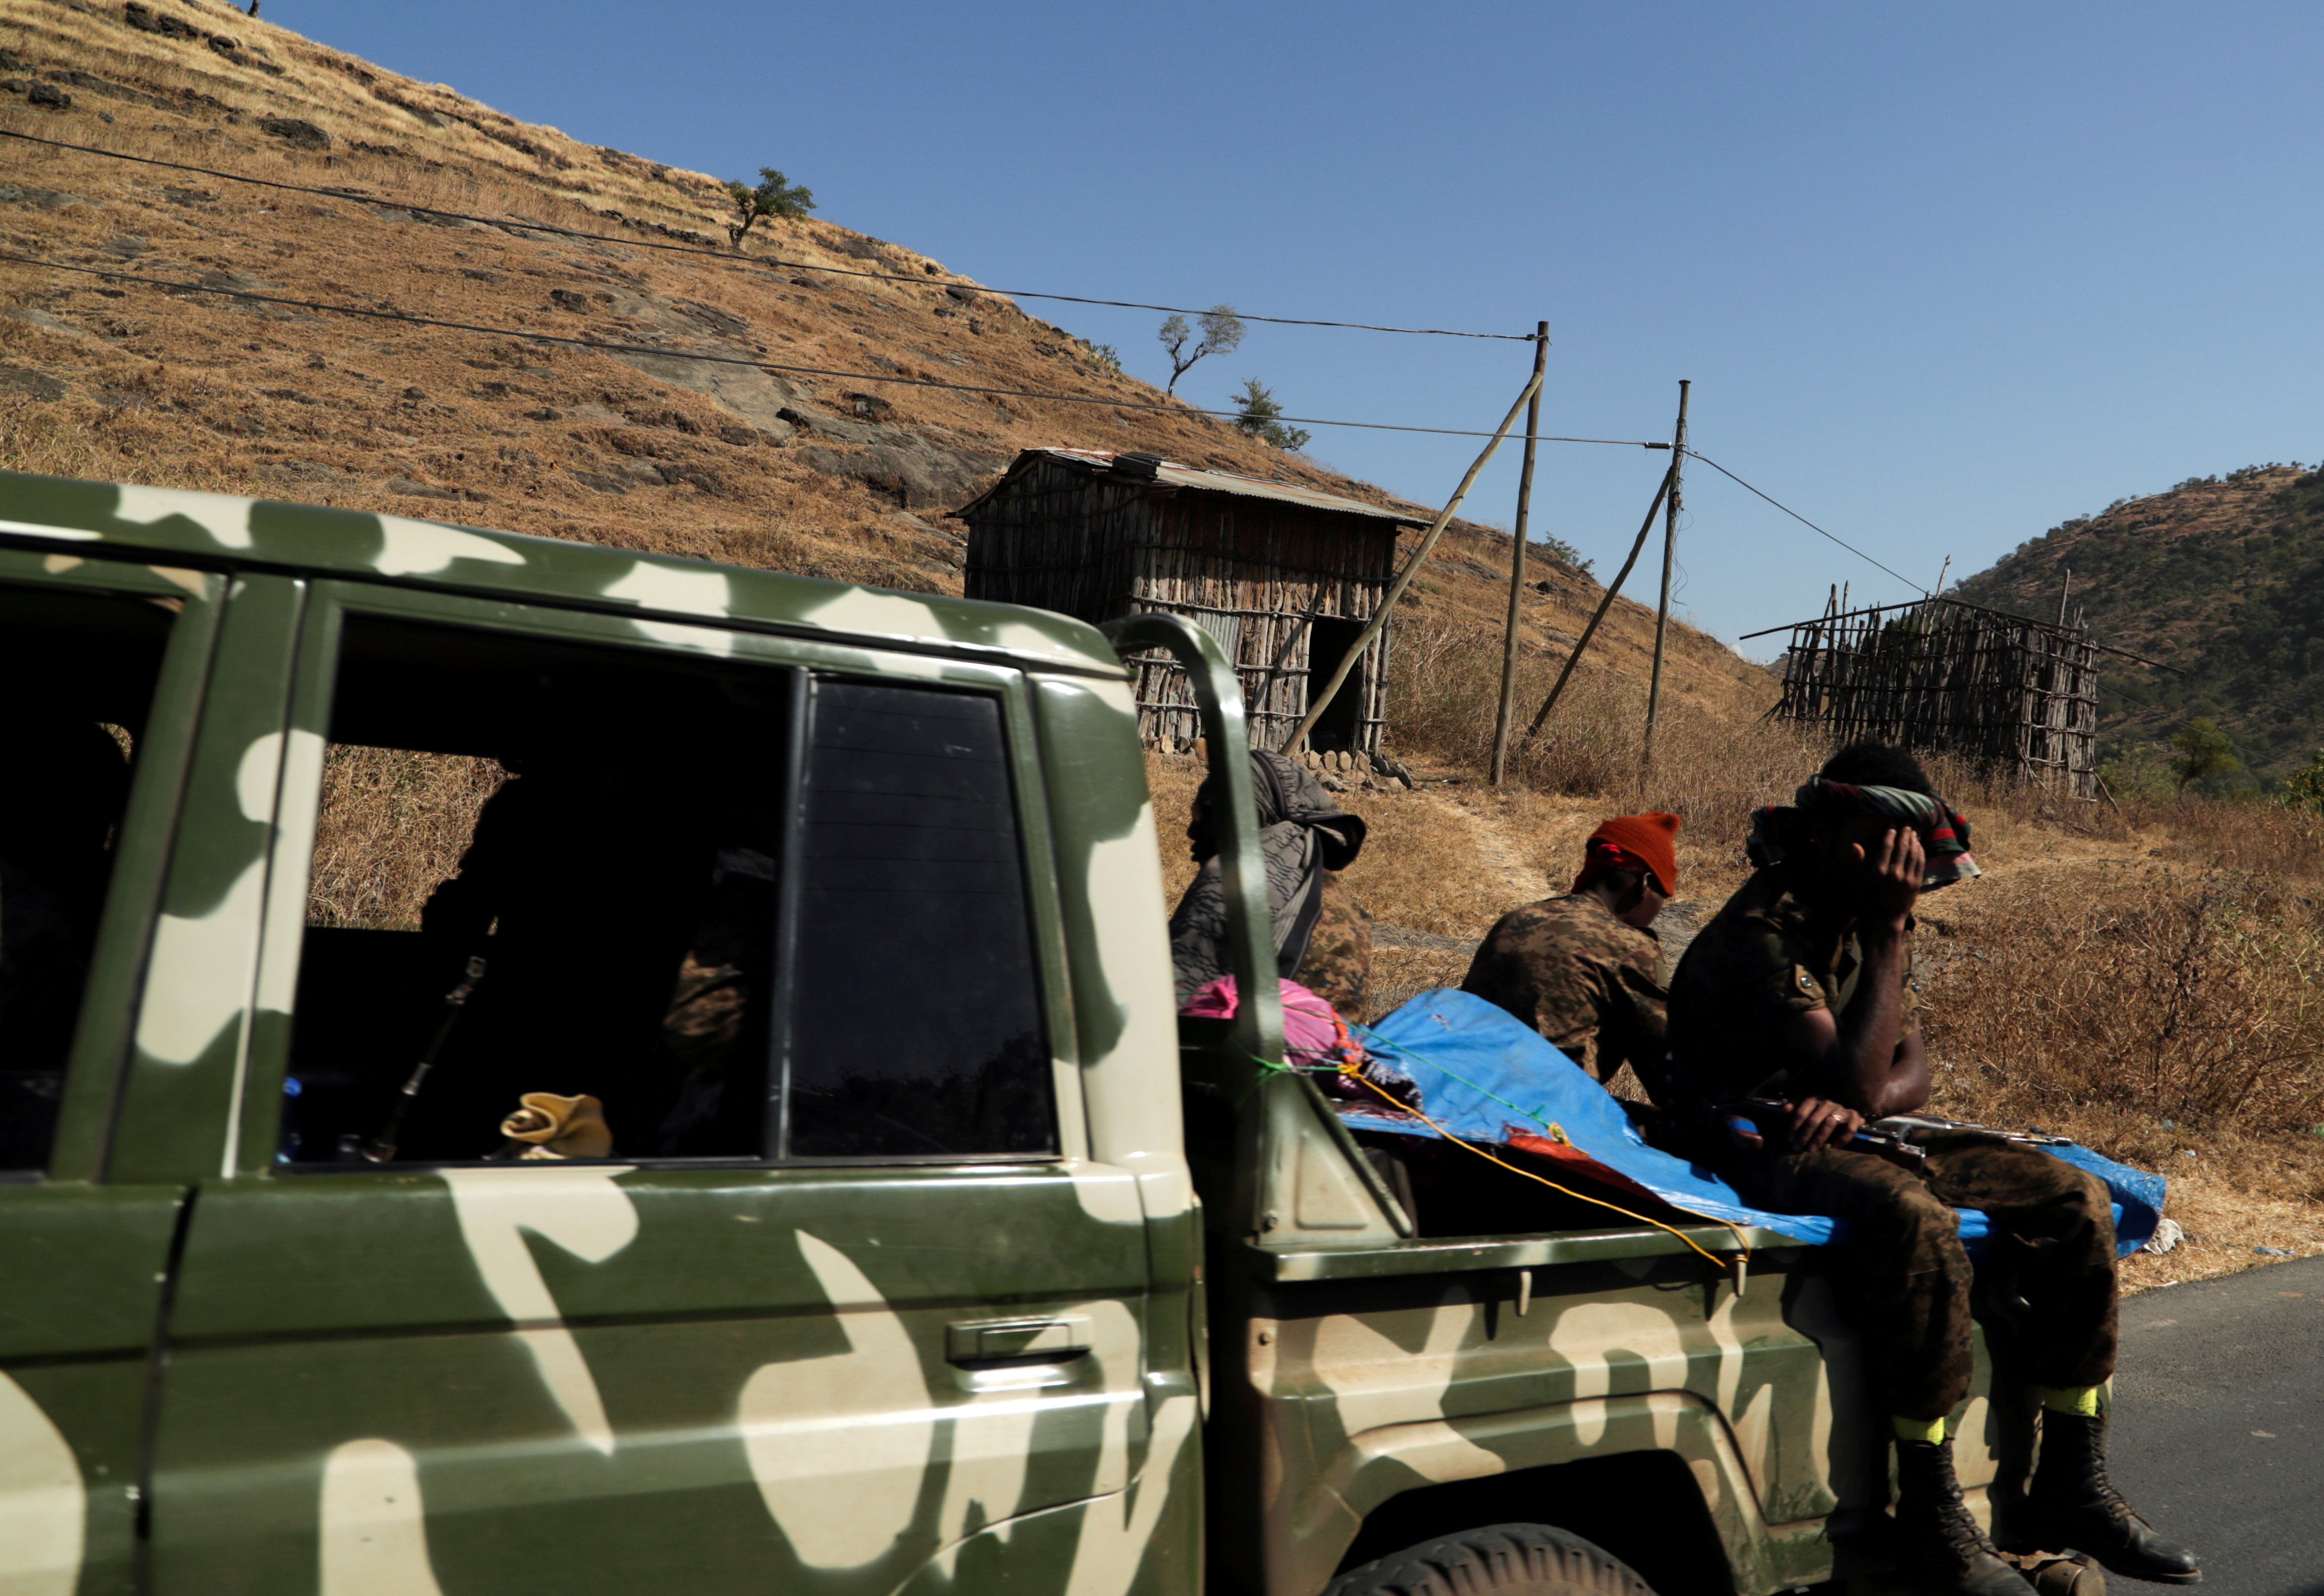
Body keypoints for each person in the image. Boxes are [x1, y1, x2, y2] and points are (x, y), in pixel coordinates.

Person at [1665, 742, 2197, 1595]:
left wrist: (1863, 1074)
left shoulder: (1853, 914)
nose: (1904, 867)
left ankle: (2073, 1473)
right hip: (1756, 1139)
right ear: (1841, 836)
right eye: (1888, 842)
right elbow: (1864, 1075)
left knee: (2071, 1197)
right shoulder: (1764, 929)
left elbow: (1908, 1068)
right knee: (1914, 1219)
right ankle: (1928, 1508)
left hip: (1844, 1124)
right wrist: (1886, 942)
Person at [1460, 812, 1678, 1089]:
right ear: (1645, 885)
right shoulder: (1633, 947)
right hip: (1549, 1114)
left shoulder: (1518, 918)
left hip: (1465, 1091)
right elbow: (1666, 1069)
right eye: (1665, 895)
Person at [1168, 749, 1370, 1016]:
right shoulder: (1332, 898)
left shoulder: (1238, 889)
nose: (1192, 831)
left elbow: (1172, 1003)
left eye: (1208, 814)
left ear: (1254, 819)